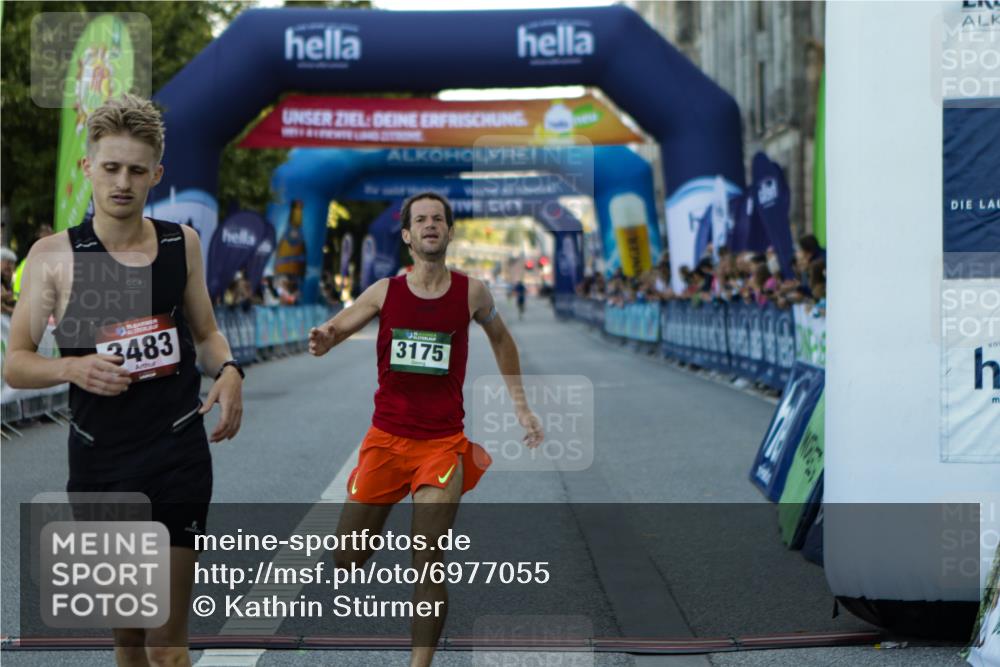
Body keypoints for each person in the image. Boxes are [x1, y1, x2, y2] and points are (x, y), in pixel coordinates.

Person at [4, 94, 244, 667]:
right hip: (102, 461)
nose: (122, 182)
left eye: (137, 170)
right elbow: (15, 361)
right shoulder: (53, 256)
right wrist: (69, 367)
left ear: (156, 175)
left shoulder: (178, 244)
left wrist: (231, 369)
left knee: (166, 644)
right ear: (87, 167)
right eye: (110, 167)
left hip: (177, 453)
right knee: (129, 638)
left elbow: (208, 334)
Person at [308, 191, 544, 667]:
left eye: (439, 218)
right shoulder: (384, 291)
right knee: (347, 558)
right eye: (421, 220)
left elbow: (502, 340)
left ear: (450, 232)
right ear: (407, 236)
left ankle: (420, 664)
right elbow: (339, 326)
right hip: (386, 442)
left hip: (442, 445)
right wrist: (325, 337)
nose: (431, 225)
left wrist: (521, 407)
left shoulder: (472, 292)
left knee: (429, 556)